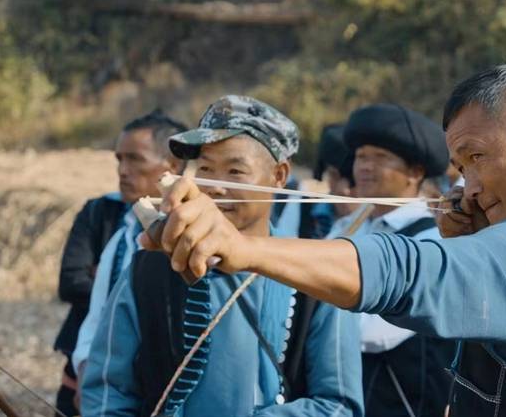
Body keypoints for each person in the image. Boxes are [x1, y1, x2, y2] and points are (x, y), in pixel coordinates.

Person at [145, 65, 506, 416]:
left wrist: (245, 251)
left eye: (477, 157)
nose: (466, 186)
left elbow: (406, 271)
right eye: (459, 166)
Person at [80, 95, 363, 417]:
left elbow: (339, 405)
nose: (215, 187)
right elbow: (107, 391)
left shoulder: (316, 272)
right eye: (205, 169)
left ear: (280, 176)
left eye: (235, 171)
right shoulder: (150, 267)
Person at [53, 109, 186, 416]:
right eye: (119, 159)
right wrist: (87, 368)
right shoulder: (116, 224)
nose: (123, 171)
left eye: (135, 159)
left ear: (173, 165)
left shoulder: (193, 234)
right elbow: (79, 292)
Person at [330, 103, 455, 417]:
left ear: (415, 173)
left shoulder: (430, 241)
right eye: (361, 156)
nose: (365, 167)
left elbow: (373, 334)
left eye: (380, 158)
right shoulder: (348, 225)